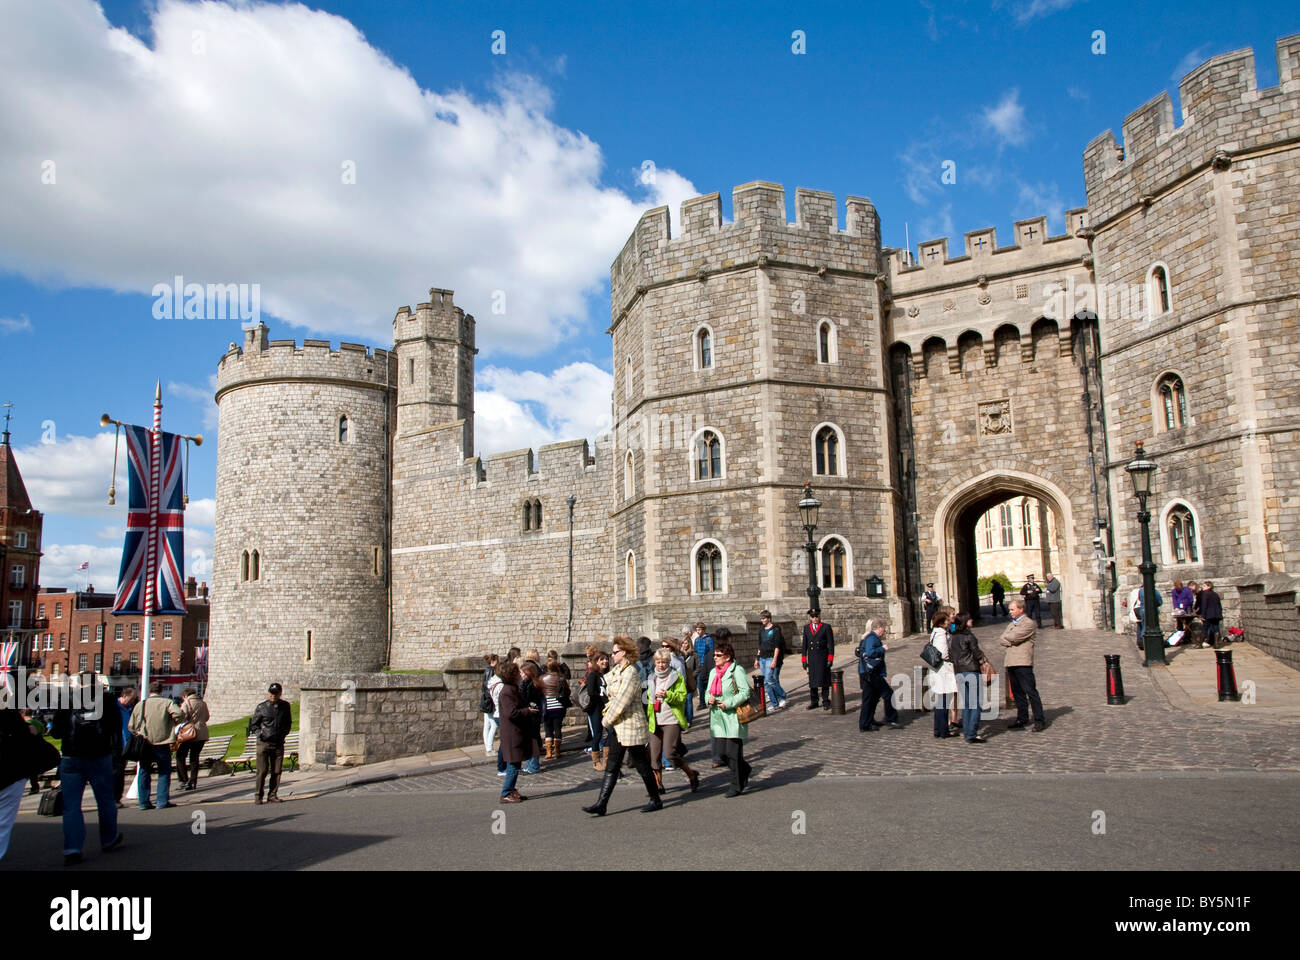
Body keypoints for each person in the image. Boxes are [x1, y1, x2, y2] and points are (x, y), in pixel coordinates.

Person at [582, 635, 662, 816]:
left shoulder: (631, 673)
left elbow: (622, 702)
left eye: (615, 652)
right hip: (619, 727)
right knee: (612, 765)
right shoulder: (619, 670)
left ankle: (655, 799)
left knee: (641, 765)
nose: (611, 655)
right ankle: (601, 803)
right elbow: (606, 680)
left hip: (631, 725)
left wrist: (605, 720)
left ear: (623, 653)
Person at [52, 675, 124, 866]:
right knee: (106, 800)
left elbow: (56, 732)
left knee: (71, 806)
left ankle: (73, 848)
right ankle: (108, 838)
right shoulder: (107, 699)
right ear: (97, 682)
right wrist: (117, 752)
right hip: (100, 755)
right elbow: (116, 728)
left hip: (71, 757)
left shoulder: (67, 698)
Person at [646, 648, 699, 793]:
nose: (661, 665)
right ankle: (658, 784)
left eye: (664, 662)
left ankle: (691, 774)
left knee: (670, 754)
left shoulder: (676, 677)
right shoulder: (651, 678)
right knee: (654, 755)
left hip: (671, 719)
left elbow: (682, 696)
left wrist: (667, 694)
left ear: (669, 662)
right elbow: (648, 698)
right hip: (655, 719)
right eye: (658, 662)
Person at [128, 680, 185, 810]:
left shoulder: (141, 705)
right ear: (161, 691)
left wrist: (140, 731)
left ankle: (143, 802)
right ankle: (162, 801)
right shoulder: (167, 703)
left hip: (145, 742)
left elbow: (131, 726)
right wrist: (172, 723)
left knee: (143, 771)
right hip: (162, 741)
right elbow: (180, 714)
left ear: (150, 691)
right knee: (164, 772)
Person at [707, 640, 752, 798]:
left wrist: (729, 703)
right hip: (718, 719)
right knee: (722, 754)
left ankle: (736, 785)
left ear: (727, 657)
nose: (715, 658)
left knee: (733, 753)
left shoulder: (736, 670)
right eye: (714, 655)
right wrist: (709, 699)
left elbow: (745, 692)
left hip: (733, 717)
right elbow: (707, 692)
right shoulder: (713, 672)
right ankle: (745, 769)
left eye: (718, 655)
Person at [1000, 598, 1046, 732]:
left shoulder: (1029, 623)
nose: (1010, 612)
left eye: (1013, 609)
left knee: (1030, 691)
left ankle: (1039, 719)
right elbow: (1002, 638)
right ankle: (1022, 717)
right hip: (1011, 662)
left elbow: (1014, 637)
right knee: (1017, 692)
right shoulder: (1011, 624)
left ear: (1021, 609)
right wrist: (1009, 639)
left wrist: (1009, 639)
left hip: (1023, 662)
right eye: (1009, 610)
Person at [496, 661, 536, 803]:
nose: (520, 674)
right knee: (513, 765)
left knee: (516, 763)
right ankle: (506, 792)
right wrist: (527, 711)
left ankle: (511, 790)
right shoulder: (507, 691)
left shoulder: (512, 689)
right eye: (517, 672)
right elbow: (511, 713)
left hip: (517, 732)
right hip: (512, 734)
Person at [248, 682, 293, 804]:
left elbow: (288, 723)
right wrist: (260, 734)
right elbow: (254, 724)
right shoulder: (262, 707)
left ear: (280, 694)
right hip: (264, 743)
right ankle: (258, 796)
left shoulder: (285, 706)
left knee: (277, 771)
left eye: (276, 694)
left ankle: (272, 795)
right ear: (268, 694)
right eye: (271, 693)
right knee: (262, 771)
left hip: (278, 743)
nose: (273, 696)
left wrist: (283, 733)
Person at [950, 613, 990, 743]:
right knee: (975, 703)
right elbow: (976, 652)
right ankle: (971, 733)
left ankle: (967, 731)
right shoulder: (969, 636)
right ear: (965, 621)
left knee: (967, 704)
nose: (972, 620)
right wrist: (983, 659)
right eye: (969, 619)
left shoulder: (953, 637)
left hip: (959, 671)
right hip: (971, 670)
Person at [856, 620, 899, 731]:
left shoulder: (871, 637)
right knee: (888, 693)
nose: (884, 631)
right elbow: (870, 652)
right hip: (871, 673)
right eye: (883, 628)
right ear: (879, 628)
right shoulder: (872, 638)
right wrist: (882, 649)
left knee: (871, 698)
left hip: (868, 672)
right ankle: (891, 718)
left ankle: (867, 722)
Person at [928, 610, 957, 738]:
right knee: (944, 701)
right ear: (942, 622)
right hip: (943, 669)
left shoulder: (935, 632)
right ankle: (943, 730)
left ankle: (939, 729)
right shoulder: (941, 634)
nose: (949, 622)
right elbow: (943, 653)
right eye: (947, 620)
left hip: (938, 669)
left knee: (941, 701)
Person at [174, 687, 209, 792]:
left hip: (189, 733)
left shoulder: (187, 703)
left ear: (185, 696)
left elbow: (182, 717)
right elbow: (207, 717)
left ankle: (184, 780)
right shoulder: (203, 703)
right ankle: (193, 781)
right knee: (194, 758)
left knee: (180, 756)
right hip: (202, 733)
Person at [754, 609, 788, 712]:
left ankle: (782, 696)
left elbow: (777, 646)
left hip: (770, 657)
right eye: (761, 619)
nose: (762, 620)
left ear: (768, 618)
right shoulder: (761, 630)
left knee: (770, 679)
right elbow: (760, 646)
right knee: (766, 682)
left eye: (764, 618)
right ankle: (774, 703)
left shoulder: (775, 630)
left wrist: (774, 660)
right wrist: (757, 659)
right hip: (763, 658)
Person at [801, 609, 835, 710]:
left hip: (823, 657)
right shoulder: (807, 628)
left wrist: (830, 658)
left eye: (816, 616)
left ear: (819, 617)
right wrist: (804, 659)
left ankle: (825, 700)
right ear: (810, 618)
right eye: (813, 617)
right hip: (812, 658)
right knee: (813, 681)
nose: (815, 619)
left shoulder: (826, 627)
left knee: (824, 680)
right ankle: (814, 701)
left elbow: (831, 644)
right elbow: (804, 645)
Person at [583, 647, 609, 771]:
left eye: (606, 659)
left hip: (607, 708)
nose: (605, 661)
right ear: (596, 661)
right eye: (601, 659)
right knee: (597, 734)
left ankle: (607, 759)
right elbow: (591, 692)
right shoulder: (593, 675)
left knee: (610, 733)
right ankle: (596, 761)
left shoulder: (607, 675)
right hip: (596, 708)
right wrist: (601, 699)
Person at [540, 660, 570, 759]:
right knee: (557, 728)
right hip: (558, 705)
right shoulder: (561, 678)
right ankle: (557, 751)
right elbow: (567, 691)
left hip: (547, 706)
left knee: (548, 729)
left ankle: (549, 752)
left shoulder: (542, 678)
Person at [518, 662, 545, 773]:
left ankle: (533, 765)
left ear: (528, 673)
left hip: (532, 716)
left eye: (522, 672)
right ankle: (530, 764)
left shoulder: (531, 684)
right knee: (529, 741)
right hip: (530, 716)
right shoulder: (529, 683)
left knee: (532, 741)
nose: (521, 674)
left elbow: (525, 699)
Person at [480, 653, 500, 756]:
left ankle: (487, 747)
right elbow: (489, 688)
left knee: (487, 725)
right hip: (489, 702)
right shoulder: (491, 671)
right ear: (494, 661)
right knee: (494, 724)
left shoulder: (487, 670)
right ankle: (489, 748)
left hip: (485, 701)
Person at [691, 622, 715, 710]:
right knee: (699, 683)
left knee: (709, 683)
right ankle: (702, 702)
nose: (698, 632)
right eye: (697, 630)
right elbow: (695, 652)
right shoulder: (697, 640)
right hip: (699, 665)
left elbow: (711, 652)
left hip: (707, 664)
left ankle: (710, 699)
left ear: (704, 629)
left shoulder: (709, 639)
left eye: (699, 630)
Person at [677, 636, 699, 725]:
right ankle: (684, 717)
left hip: (690, 681)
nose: (684, 645)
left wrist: (692, 676)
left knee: (689, 699)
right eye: (683, 643)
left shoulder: (694, 654)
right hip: (681, 681)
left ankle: (689, 720)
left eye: (686, 643)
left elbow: (698, 667)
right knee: (683, 700)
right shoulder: (679, 655)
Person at [1134, 583, 1163, 650]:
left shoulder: (1140, 590)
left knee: (1144, 626)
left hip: (1142, 610)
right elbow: (1159, 601)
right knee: (1154, 627)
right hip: (1152, 610)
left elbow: (1139, 599)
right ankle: (1151, 644)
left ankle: (1143, 642)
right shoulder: (1154, 590)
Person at [486, 661, 504, 757]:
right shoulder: (500, 685)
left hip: (498, 712)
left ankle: (489, 747)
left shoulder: (493, 682)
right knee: (505, 741)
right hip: (500, 713)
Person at [1200, 581, 1223, 648]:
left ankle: (1199, 644)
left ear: (1209, 587)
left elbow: (1204, 605)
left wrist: (1203, 615)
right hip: (1216, 614)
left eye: (1204, 586)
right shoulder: (1215, 594)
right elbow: (1219, 605)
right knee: (1216, 629)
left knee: (1205, 629)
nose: (1203, 587)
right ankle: (1216, 644)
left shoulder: (1205, 594)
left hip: (1208, 614)